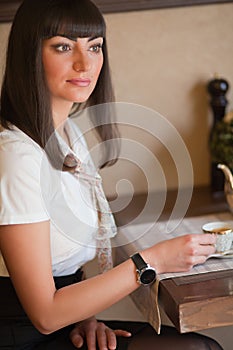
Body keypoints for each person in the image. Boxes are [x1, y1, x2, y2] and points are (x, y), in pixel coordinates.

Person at [0, 0, 223, 349]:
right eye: (63, 46)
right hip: (21, 333)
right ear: (29, 54)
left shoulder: (68, 132)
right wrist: (153, 260)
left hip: (66, 321)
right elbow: (44, 314)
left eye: (95, 47)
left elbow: (62, 279)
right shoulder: (16, 156)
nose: (84, 63)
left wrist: (85, 317)